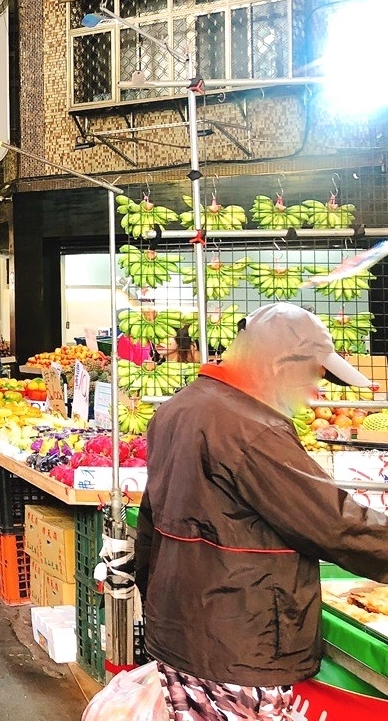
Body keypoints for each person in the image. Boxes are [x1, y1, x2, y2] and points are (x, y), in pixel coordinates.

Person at [135, 303, 388, 719]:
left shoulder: (181, 407)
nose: (317, 384)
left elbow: (152, 521)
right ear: (278, 365)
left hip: (185, 628)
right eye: (312, 370)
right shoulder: (252, 429)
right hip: (241, 640)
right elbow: (334, 524)